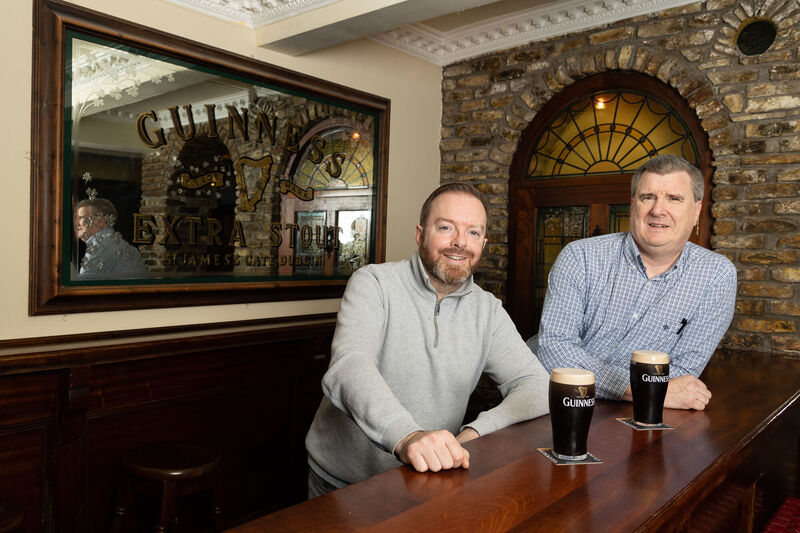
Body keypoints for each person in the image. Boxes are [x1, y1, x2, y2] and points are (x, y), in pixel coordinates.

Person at [305, 183, 549, 497]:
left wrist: (476, 431)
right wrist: (408, 437)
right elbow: (349, 367)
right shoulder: (374, 282)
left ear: (484, 243)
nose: (460, 242)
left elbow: (536, 384)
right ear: (420, 234)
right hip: (342, 486)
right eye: (446, 227)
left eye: (473, 232)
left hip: (424, 484)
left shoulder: (487, 309)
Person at [532, 154, 737, 411]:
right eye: (647, 197)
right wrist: (633, 389)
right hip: (552, 400)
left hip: (633, 414)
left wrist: (650, 392)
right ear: (633, 204)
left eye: (673, 198)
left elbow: (682, 375)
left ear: (696, 211)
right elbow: (554, 348)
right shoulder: (580, 257)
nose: (658, 210)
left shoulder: (716, 276)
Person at [73, 198, 148, 279]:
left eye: (81, 217)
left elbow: (82, 284)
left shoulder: (101, 244)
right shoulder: (113, 241)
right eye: (76, 218)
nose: (76, 223)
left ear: (101, 221)